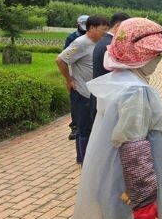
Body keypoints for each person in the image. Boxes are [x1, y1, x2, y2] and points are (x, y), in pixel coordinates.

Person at [73, 18, 162, 219]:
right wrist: (144, 206)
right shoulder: (135, 90)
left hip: (113, 180)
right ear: (141, 55)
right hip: (129, 191)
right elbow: (134, 151)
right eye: (156, 55)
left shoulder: (116, 81)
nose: (158, 60)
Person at [56, 15, 109, 164]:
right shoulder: (80, 43)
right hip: (82, 92)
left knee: (87, 126)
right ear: (91, 28)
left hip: (93, 92)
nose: (105, 33)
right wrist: (69, 80)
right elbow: (60, 60)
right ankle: (85, 161)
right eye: (103, 30)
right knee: (84, 127)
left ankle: (83, 158)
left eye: (107, 30)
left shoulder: (97, 43)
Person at [90, 12, 130, 124]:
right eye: (126, 28)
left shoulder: (102, 42)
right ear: (117, 26)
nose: (128, 33)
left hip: (99, 97)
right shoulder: (112, 45)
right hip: (106, 101)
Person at [65, 14, 89, 140]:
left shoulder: (94, 38)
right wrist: (68, 80)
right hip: (76, 76)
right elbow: (64, 59)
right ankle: (75, 127)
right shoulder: (72, 38)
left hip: (90, 77)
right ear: (77, 25)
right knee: (76, 103)